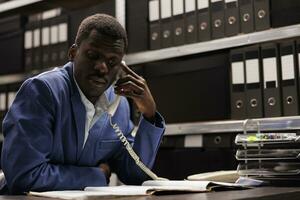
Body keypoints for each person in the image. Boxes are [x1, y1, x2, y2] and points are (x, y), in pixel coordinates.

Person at [1, 13, 165, 194]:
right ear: (73, 53)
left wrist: (149, 114)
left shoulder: (119, 106)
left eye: (112, 61)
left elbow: (135, 175)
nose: (102, 67)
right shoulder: (42, 91)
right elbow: (25, 177)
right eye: (93, 55)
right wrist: (97, 175)